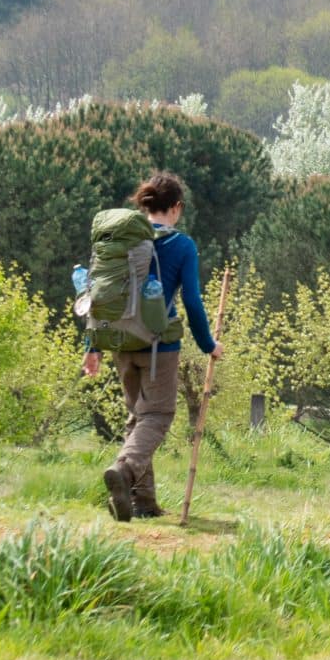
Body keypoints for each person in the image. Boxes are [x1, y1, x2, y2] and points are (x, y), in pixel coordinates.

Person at [81, 171, 218, 521]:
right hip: (159, 345)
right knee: (157, 415)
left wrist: (92, 345)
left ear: (143, 205)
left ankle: (142, 504)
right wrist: (208, 344)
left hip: (119, 341)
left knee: (138, 418)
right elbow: (192, 300)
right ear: (175, 208)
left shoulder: (122, 242)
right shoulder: (181, 245)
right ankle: (124, 472)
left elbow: (97, 293)